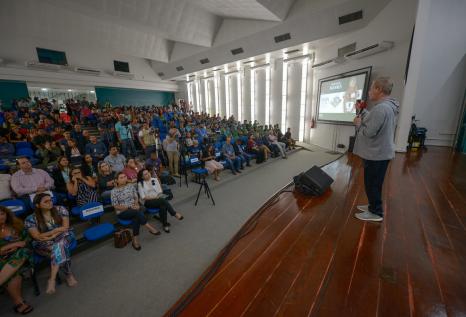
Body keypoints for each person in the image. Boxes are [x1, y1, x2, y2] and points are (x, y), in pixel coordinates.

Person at [353, 77, 399, 222]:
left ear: (379, 90)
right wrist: (363, 112)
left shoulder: (381, 108)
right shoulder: (387, 106)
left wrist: (358, 124)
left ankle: (376, 212)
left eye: (372, 88)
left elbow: (369, 132)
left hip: (376, 154)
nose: (369, 91)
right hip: (381, 153)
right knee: (375, 183)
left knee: (371, 183)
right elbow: (374, 121)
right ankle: (373, 205)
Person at [25, 193, 77, 294]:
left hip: (64, 235)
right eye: (46, 201)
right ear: (37, 205)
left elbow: (65, 227)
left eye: (51, 200)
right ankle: (68, 275)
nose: (50, 202)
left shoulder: (60, 209)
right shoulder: (30, 219)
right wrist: (53, 232)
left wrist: (51, 234)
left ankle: (52, 279)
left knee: (59, 245)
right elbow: (37, 236)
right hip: (44, 242)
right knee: (60, 248)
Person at [110, 172, 160, 250]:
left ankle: (135, 240)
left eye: (125, 176)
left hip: (134, 208)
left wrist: (136, 204)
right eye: (121, 178)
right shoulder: (114, 191)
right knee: (137, 213)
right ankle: (149, 227)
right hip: (122, 211)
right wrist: (129, 207)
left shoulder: (130, 186)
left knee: (135, 217)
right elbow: (116, 206)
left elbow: (136, 197)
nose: (124, 178)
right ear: (116, 180)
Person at [0, 206, 34, 314]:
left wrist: (18, 244)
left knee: (23, 252)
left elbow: (28, 240)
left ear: (6, 214)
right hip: (4, 260)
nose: (0, 217)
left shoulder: (16, 225)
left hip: (23, 256)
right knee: (14, 273)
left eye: (2, 213)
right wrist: (4, 248)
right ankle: (19, 303)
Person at [137, 169, 183, 233]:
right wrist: (154, 197)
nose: (148, 174)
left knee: (163, 206)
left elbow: (160, 191)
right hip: (148, 202)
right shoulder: (140, 184)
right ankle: (174, 213)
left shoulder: (154, 180)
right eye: (145, 174)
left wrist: (158, 195)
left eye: (148, 172)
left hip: (158, 199)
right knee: (162, 201)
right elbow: (143, 197)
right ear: (142, 177)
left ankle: (165, 225)